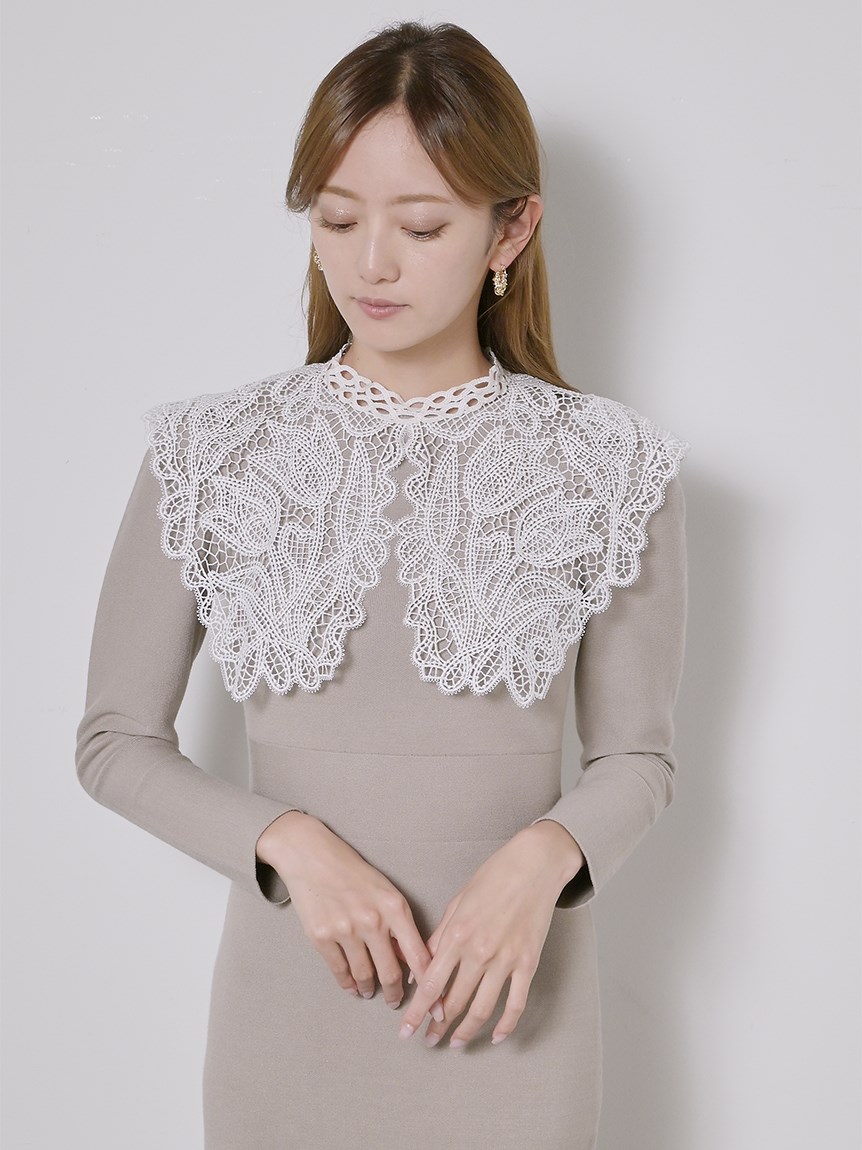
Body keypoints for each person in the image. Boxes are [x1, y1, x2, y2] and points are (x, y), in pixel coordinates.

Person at [75, 19, 691, 1150]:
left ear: (512, 228)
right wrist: (288, 843)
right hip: (286, 1018)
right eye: (337, 218)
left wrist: (544, 859)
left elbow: (637, 760)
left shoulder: (610, 463)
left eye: (421, 225)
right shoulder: (209, 453)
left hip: (515, 1014)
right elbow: (114, 742)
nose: (371, 265)